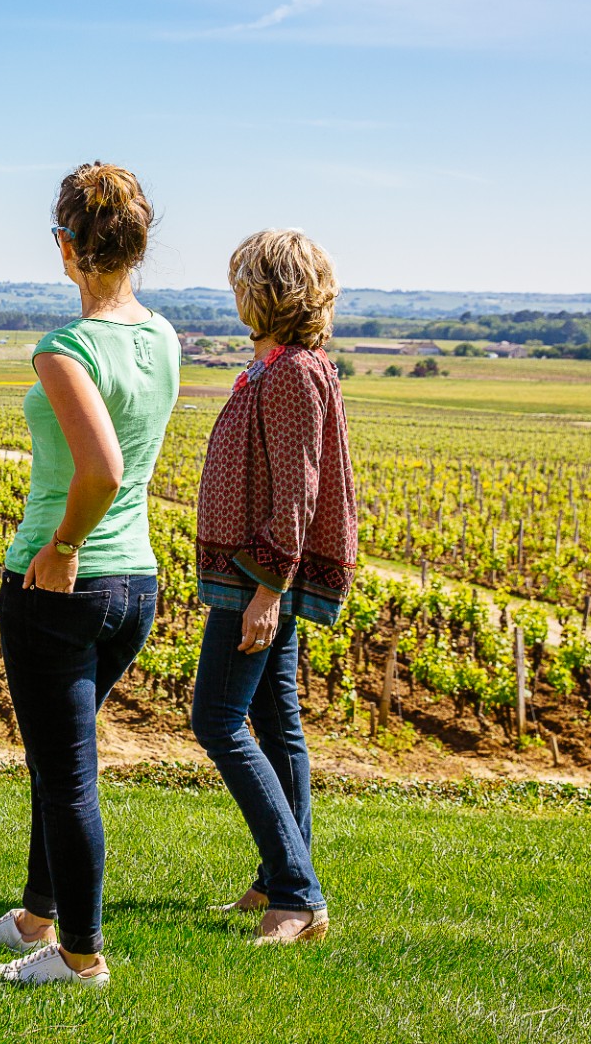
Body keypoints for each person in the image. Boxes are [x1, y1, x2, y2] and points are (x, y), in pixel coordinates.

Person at [0, 163, 181, 987]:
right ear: (137, 246)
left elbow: (96, 469)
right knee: (60, 755)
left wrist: (60, 547)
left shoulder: (64, 349)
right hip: (135, 582)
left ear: (66, 247)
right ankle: (35, 914)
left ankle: (81, 958)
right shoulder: (163, 338)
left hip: (61, 583)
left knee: (66, 774)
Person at [190, 229, 357, 945]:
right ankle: (278, 877)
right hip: (258, 572)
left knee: (217, 720)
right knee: (276, 721)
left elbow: (298, 488)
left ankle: (299, 893)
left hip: (258, 576)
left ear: (266, 292)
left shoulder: (291, 373)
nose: (234, 293)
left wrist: (268, 588)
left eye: (241, 281)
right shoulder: (282, 364)